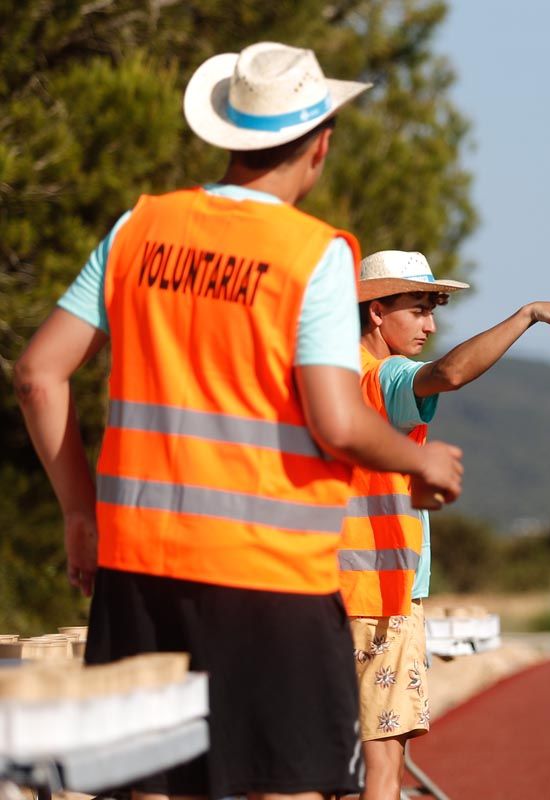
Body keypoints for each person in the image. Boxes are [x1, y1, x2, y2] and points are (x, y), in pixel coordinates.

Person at [14, 43, 463, 800]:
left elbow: (37, 375)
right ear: (319, 147)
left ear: (225, 134)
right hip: (271, 575)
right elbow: (337, 421)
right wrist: (421, 460)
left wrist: (79, 514)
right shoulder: (311, 256)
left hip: (139, 571)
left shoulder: (137, 229)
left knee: (152, 786)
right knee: (283, 786)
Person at [343, 249, 550, 800]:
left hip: (326, 591)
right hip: (381, 597)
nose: (430, 324)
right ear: (375, 312)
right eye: (417, 308)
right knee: (383, 774)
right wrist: (528, 314)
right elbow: (451, 373)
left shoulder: (327, 380)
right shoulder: (384, 377)